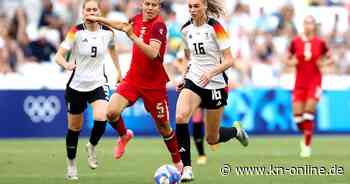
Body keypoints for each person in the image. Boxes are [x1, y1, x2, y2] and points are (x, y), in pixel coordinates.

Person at [86, 0, 183, 172]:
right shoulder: (137, 19)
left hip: (154, 85)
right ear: (142, 4)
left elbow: (153, 53)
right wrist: (98, 18)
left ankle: (177, 162)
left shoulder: (159, 26)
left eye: (154, 5)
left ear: (159, 7)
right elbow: (122, 25)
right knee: (111, 112)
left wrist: (132, 36)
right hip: (133, 79)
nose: (150, 7)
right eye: (147, 4)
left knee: (164, 127)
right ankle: (124, 135)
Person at [175, 0, 249, 181]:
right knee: (180, 117)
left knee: (212, 138)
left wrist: (211, 72)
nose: (193, 10)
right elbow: (187, 56)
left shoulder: (216, 28)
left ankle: (235, 132)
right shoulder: (185, 29)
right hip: (194, 80)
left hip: (215, 84)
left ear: (205, 6)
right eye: (190, 6)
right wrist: (184, 76)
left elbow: (230, 60)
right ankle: (186, 169)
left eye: (196, 6)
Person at [54, 0, 122, 180]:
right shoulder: (75, 31)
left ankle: (91, 146)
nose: (91, 12)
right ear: (83, 12)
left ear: (99, 11)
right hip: (76, 85)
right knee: (74, 129)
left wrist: (118, 71)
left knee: (102, 116)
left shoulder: (108, 32)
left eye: (94, 9)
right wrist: (66, 64)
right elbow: (58, 56)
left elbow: (113, 49)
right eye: (88, 9)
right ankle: (71, 165)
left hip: (98, 83)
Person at [287, 15, 332, 158]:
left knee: (308, 113)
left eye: (310, 23)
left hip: (315, 81)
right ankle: (305, 135)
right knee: (298, 119)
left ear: (314, 26)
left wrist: (323, 64)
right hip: (299, 83)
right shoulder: (295, 42)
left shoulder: (320, 43)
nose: (308, 26)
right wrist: (291, 63)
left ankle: (306, 146)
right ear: (303, 25)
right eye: (305, 23)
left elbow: (331, 58)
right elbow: (287, 58)